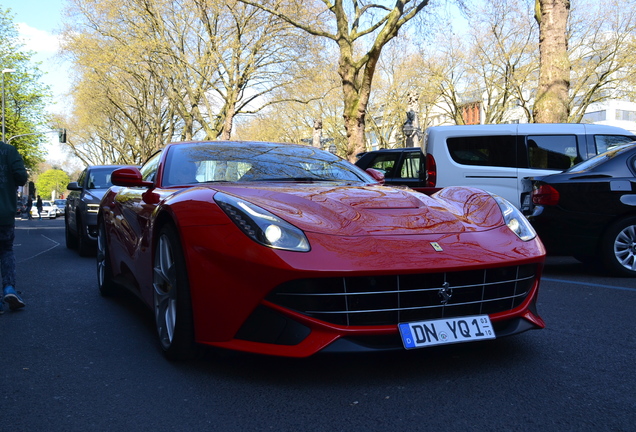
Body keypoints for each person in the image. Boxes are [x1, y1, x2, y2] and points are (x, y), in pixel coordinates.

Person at [0, 140, 28, 314]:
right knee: (6, 250)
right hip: (4, 213)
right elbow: (21, 177)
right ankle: (9, 288)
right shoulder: (8, 151)